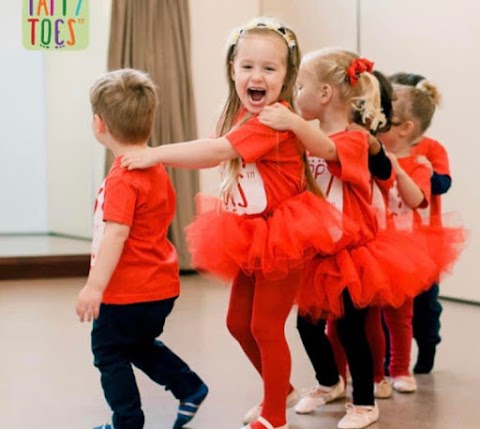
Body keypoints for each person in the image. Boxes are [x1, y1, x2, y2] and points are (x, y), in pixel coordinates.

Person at [121, 18, 356, 429]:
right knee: (237, 323)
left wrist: (154, 153)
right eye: (248, 66)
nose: (257, 76)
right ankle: (278, 391)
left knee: (265, 326)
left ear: (286, 77)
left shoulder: (273, 118)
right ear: (232, 68)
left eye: (270, 68)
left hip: (286, 235)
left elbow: (215, 152)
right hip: (252, 232)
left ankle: (274, 417)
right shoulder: (239, 115)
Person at [258, 48, 460, 428]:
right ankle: (330, 382)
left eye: (300, 86)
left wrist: (291, 122)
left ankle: (365, 402)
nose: (294, 94)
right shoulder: (311, 134)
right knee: (306, 326)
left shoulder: (354, 139)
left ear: (325, 95)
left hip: (353, 253)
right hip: (319, 249)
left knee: (351, 329)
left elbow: (330, 151)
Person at [76, 68, 208, 429]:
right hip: (159, 288)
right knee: (136, 344)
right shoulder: (154, 168)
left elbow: (115, 236)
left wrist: (94, 287)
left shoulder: (123, 178)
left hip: (126, 292)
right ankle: (189, 386)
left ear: (99, 125)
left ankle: (127, 423)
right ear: (149, 121)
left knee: (108, 352)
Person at [389, 72, 452, 374]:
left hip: (424, 240)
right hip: (388, 240)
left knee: (425, 306)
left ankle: (427, 346)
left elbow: (443, 184)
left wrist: (424, 172)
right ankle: (392, 358)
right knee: (388, 303)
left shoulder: (432, 148)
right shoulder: (382, 145)